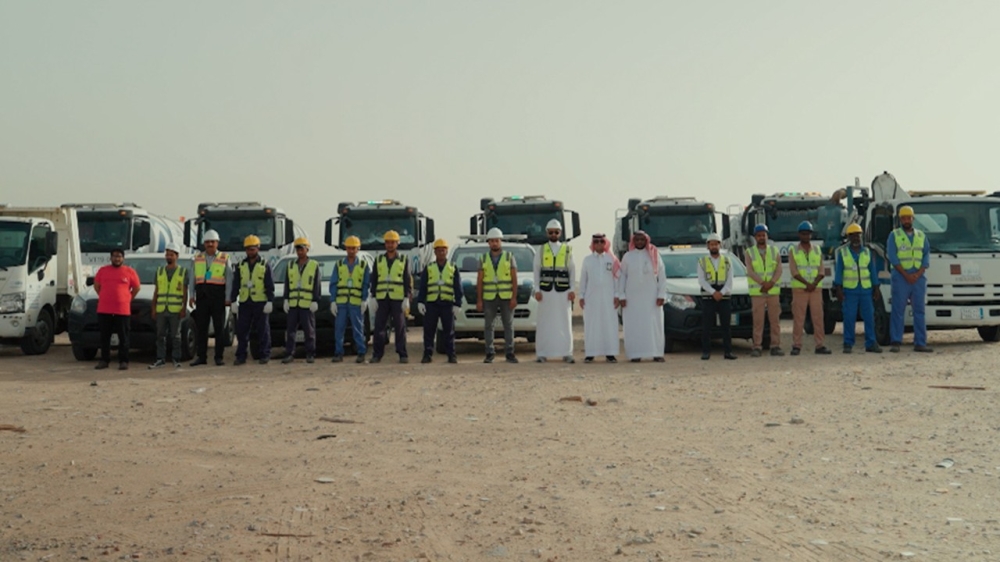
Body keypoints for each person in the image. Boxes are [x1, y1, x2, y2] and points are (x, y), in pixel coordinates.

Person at [887, 205, 932, 353]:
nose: (906, 220)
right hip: (901, 277)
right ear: (900, 219)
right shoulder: (894, 235)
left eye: (909, 218)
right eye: (904, 218)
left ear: (913, 219)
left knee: (919, 311)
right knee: (898, 310)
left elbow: (926, 256)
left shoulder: (921, 236)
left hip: (918, 278)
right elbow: (893, 258)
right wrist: (906, 275)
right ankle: (896, 341)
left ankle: (920, 342)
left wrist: (917, 274)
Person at [617, 231, 666, 362]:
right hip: (632, 298)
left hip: (651, 296)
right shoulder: (628, 257)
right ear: (633, 241)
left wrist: (661, 294)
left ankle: (656, 353)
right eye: (637, 240)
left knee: (654, 324)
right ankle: (635, 354)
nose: (639, 242)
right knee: (634, 325)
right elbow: (622, 277)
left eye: (642, 240)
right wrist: (621, 295)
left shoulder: (654, 255)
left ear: (646, 241)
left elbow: (661, 276)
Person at [835, 223, 882, 354]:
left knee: (869, 317)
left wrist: (876, 287)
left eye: (858, 235)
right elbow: (839, 272)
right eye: (853, 236)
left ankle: (871, 343)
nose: (856, 238)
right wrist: (838, 288)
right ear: (849, 238)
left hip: (866, 291)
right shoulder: (843, 253)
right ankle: (848, 343)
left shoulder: (867, 252)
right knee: (849, 317)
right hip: (850, 291)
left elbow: (872, 271)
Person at [533, 219, 576, 363]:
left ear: (560, 233)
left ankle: (566, 352)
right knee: (544, 322)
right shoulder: (541, 249)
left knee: (565, 321)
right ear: (547, 233)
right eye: (550, 232)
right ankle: (542, 352)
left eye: (556, 232)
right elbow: (536, 271)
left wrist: (572, 289)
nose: (553, 234)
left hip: (563, 292)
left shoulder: (567, 249)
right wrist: (537, 290)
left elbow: (572, 270)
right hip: (545, 292)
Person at [788, 221, 832, 355]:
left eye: (807, 234)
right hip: (800, 289)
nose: (805, 236)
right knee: (799, 319)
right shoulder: (793, 250)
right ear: (799, 235)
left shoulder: (817, 250)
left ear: (811, 235)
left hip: (815, 290)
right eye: (803, 234)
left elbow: (821, 270)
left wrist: (813, 284)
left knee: (818, 318)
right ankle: (796, 345)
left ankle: (820, 345)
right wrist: (807, 284)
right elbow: (794, 271)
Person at [190, 229, 232, 366]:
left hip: (218, 297)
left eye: (212, 242)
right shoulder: (197, 258)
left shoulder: (224, 258)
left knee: (219, 328)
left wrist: (228, 297)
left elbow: (229, 279)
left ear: (217, 243)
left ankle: (218, 357)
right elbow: (192, 278)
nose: (210, 244)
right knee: (202, 328)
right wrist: (191, 295)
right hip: (202, 297)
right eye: (207, 242)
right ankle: (201, 357)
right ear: (204, 243)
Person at [230, 235, 275, 366]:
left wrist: (270, 301)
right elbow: (236, 284)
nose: (251, 252)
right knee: (242, 330)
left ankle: (265, 354)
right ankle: (241, 356)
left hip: (260, 302)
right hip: (245, 302)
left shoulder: (265, 265)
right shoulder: (240, 265)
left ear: (258, 248)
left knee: (263, 330)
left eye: (253, 249)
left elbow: (269, 284)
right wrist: (233, 300)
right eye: (248, 249)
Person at [477, 227, 519, 364]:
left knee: (508, 325)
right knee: (489, 325)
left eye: (497, 241)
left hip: (506, 297)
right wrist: (479, 300)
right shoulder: (483, 258)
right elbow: (479, 280)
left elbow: (514, 278)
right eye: (492, 241)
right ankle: (489, 353)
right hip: (489, 298)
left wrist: (514, 297)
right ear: (488, 243)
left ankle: (510, 353)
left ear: (501, 241)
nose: (494, 243)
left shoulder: (509, 256)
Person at [93, 248, 140, 370]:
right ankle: (104, 360)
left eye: (119, 256)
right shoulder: (103, 271)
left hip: (122, 310)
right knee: (104, 337)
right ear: (110, 258)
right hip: (104, 309)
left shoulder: (129, 272)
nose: (117, 258)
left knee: (123, 337)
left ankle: (123, 361)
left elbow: (136, 288)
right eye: (114, 256)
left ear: (123, 258)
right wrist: (104, 296)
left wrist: (127, 298)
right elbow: (97, 286)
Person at [417, 238, 463, 364]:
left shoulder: (453, 267)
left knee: (449, 331)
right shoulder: (429, 268)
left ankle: (451, 355)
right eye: (438, 250)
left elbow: (458, 287)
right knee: (429, 331)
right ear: (435, 252)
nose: (441, 253)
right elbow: (423, 286)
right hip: (432, 304)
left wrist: (457, 303)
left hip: (447, 303)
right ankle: (427, 354)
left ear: (447, 251)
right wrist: (421, 301)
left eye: (443, 250)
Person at [370, 230, 412, 363]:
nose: (389, 245)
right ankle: (377, 354)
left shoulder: (403, 260)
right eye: (387, 242)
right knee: (379, 328)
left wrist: (407, 297)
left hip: (397, 298)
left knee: (400, 327)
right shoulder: (379, 260)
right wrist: (373, 296)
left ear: (397, 244)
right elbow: (374, 279)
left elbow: (407, 279)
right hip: (382, 298)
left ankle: (402, 354)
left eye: (392, 242)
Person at [579, 233, 620, 363]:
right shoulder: (587, 260)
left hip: (609, 298)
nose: (598, 244)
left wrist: (617, 295)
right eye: (596, 242)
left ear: (605, 243)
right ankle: (591, 353)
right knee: (592, 325)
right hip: (591, 298)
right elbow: (583, 280)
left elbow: (617, 280)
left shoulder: (611, 260)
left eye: (601, 242)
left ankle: (610, 353)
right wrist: (581, 296)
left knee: (609, 325)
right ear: (593, 244)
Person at [744, 224, 784, 357]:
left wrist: (771, 283)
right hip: (758, 292)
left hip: (772, 291)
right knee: (758, 321)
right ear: (755, 237)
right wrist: (762, 283)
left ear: (767, 236)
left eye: (764, 235)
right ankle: (757, 346)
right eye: (759, 235)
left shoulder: (774, 251)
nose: (762, 237)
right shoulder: (749, 252)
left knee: (775, 320)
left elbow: (779, 269)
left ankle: (775, 346)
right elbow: (750, 271)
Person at [330, 235, 370, 364]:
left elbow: (366, 284)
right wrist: (333, 301)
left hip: (356, 302)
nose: (351, 251)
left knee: (358, 329)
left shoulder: (364, 265)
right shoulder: (339, 264)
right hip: (341, 302)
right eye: (349, 248)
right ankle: (338, 353)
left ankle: (361, 352)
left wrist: (365, 299)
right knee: (339, 329)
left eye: (353, 248)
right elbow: (334, 283)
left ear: (358, 249)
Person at [697, 234, 737, 361]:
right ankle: (706, 352)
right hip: (709, 296)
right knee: (707, 326)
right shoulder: (702, 261)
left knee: (726, 326)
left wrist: (722, 292)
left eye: (716, 243)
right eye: (711, 244)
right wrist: (713, 292)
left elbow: (730, 280)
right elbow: (701, 280)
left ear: (720, 245)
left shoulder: (727, 260)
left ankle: (728, 352)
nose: (714, 246)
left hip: (724, 296)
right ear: (708, 246)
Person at [282, 237, 321, 363]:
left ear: (307, 249)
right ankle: (289, 354)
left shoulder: (313, 265)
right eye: (297, 249)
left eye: (302, 248)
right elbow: (287, 284)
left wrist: (315, 299)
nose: (299, 251)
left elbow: (317, 284)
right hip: (293, 303)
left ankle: (310, 353)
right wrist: (286, 299)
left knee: (309, 331)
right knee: (291, 331)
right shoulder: (290, 266)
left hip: (306, 303)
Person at [149, 243, 188, 369]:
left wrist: (183, 308)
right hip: (161, 309)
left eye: (171, 254)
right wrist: (153, 308)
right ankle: (160, 359)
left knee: (175, 336)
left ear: (177, 256)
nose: (169, 257)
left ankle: (176, 359)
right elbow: (156, 292)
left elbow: (184, 292)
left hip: (175, 310)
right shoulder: (160, 271)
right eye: (167, 254)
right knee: (160, 335)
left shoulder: (182, 272)